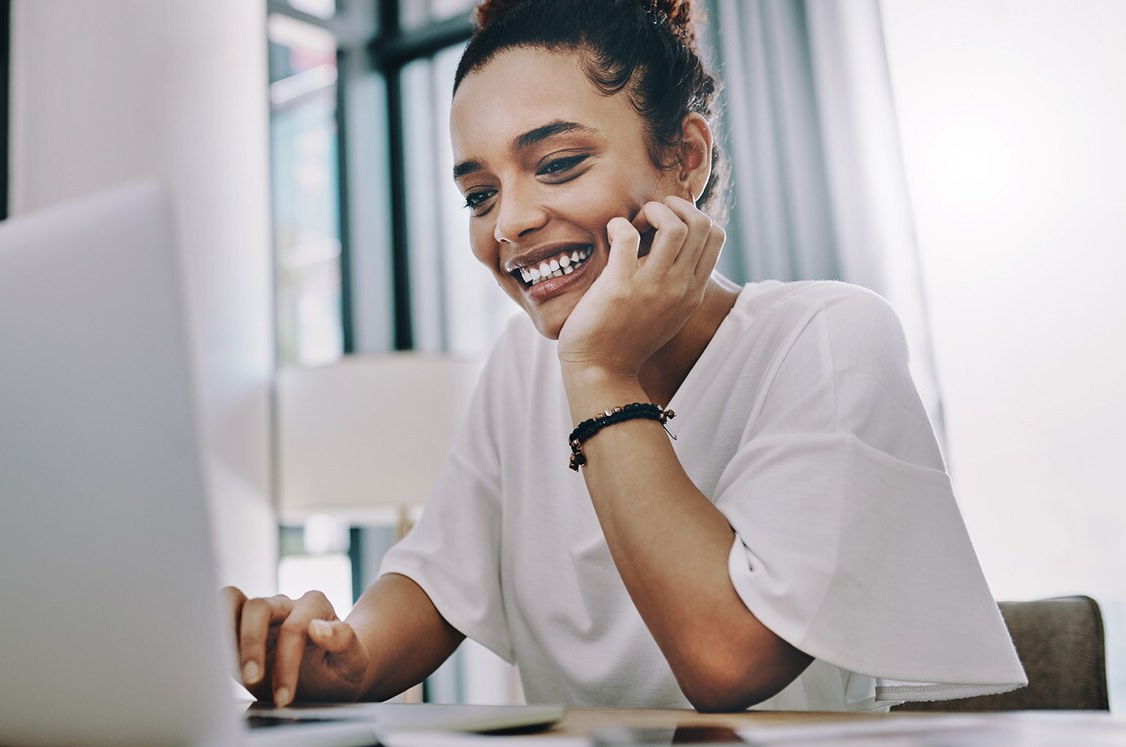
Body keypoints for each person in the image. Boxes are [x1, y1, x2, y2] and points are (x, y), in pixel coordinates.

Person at [224, 0, 1026, 712]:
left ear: (685, 158)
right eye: (479, 193)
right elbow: (434, 580)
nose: (509, 223)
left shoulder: (828, 337)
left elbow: (729, 660)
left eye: (558, 164)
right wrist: (340, 656)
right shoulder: (520, 366)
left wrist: (602, 372)